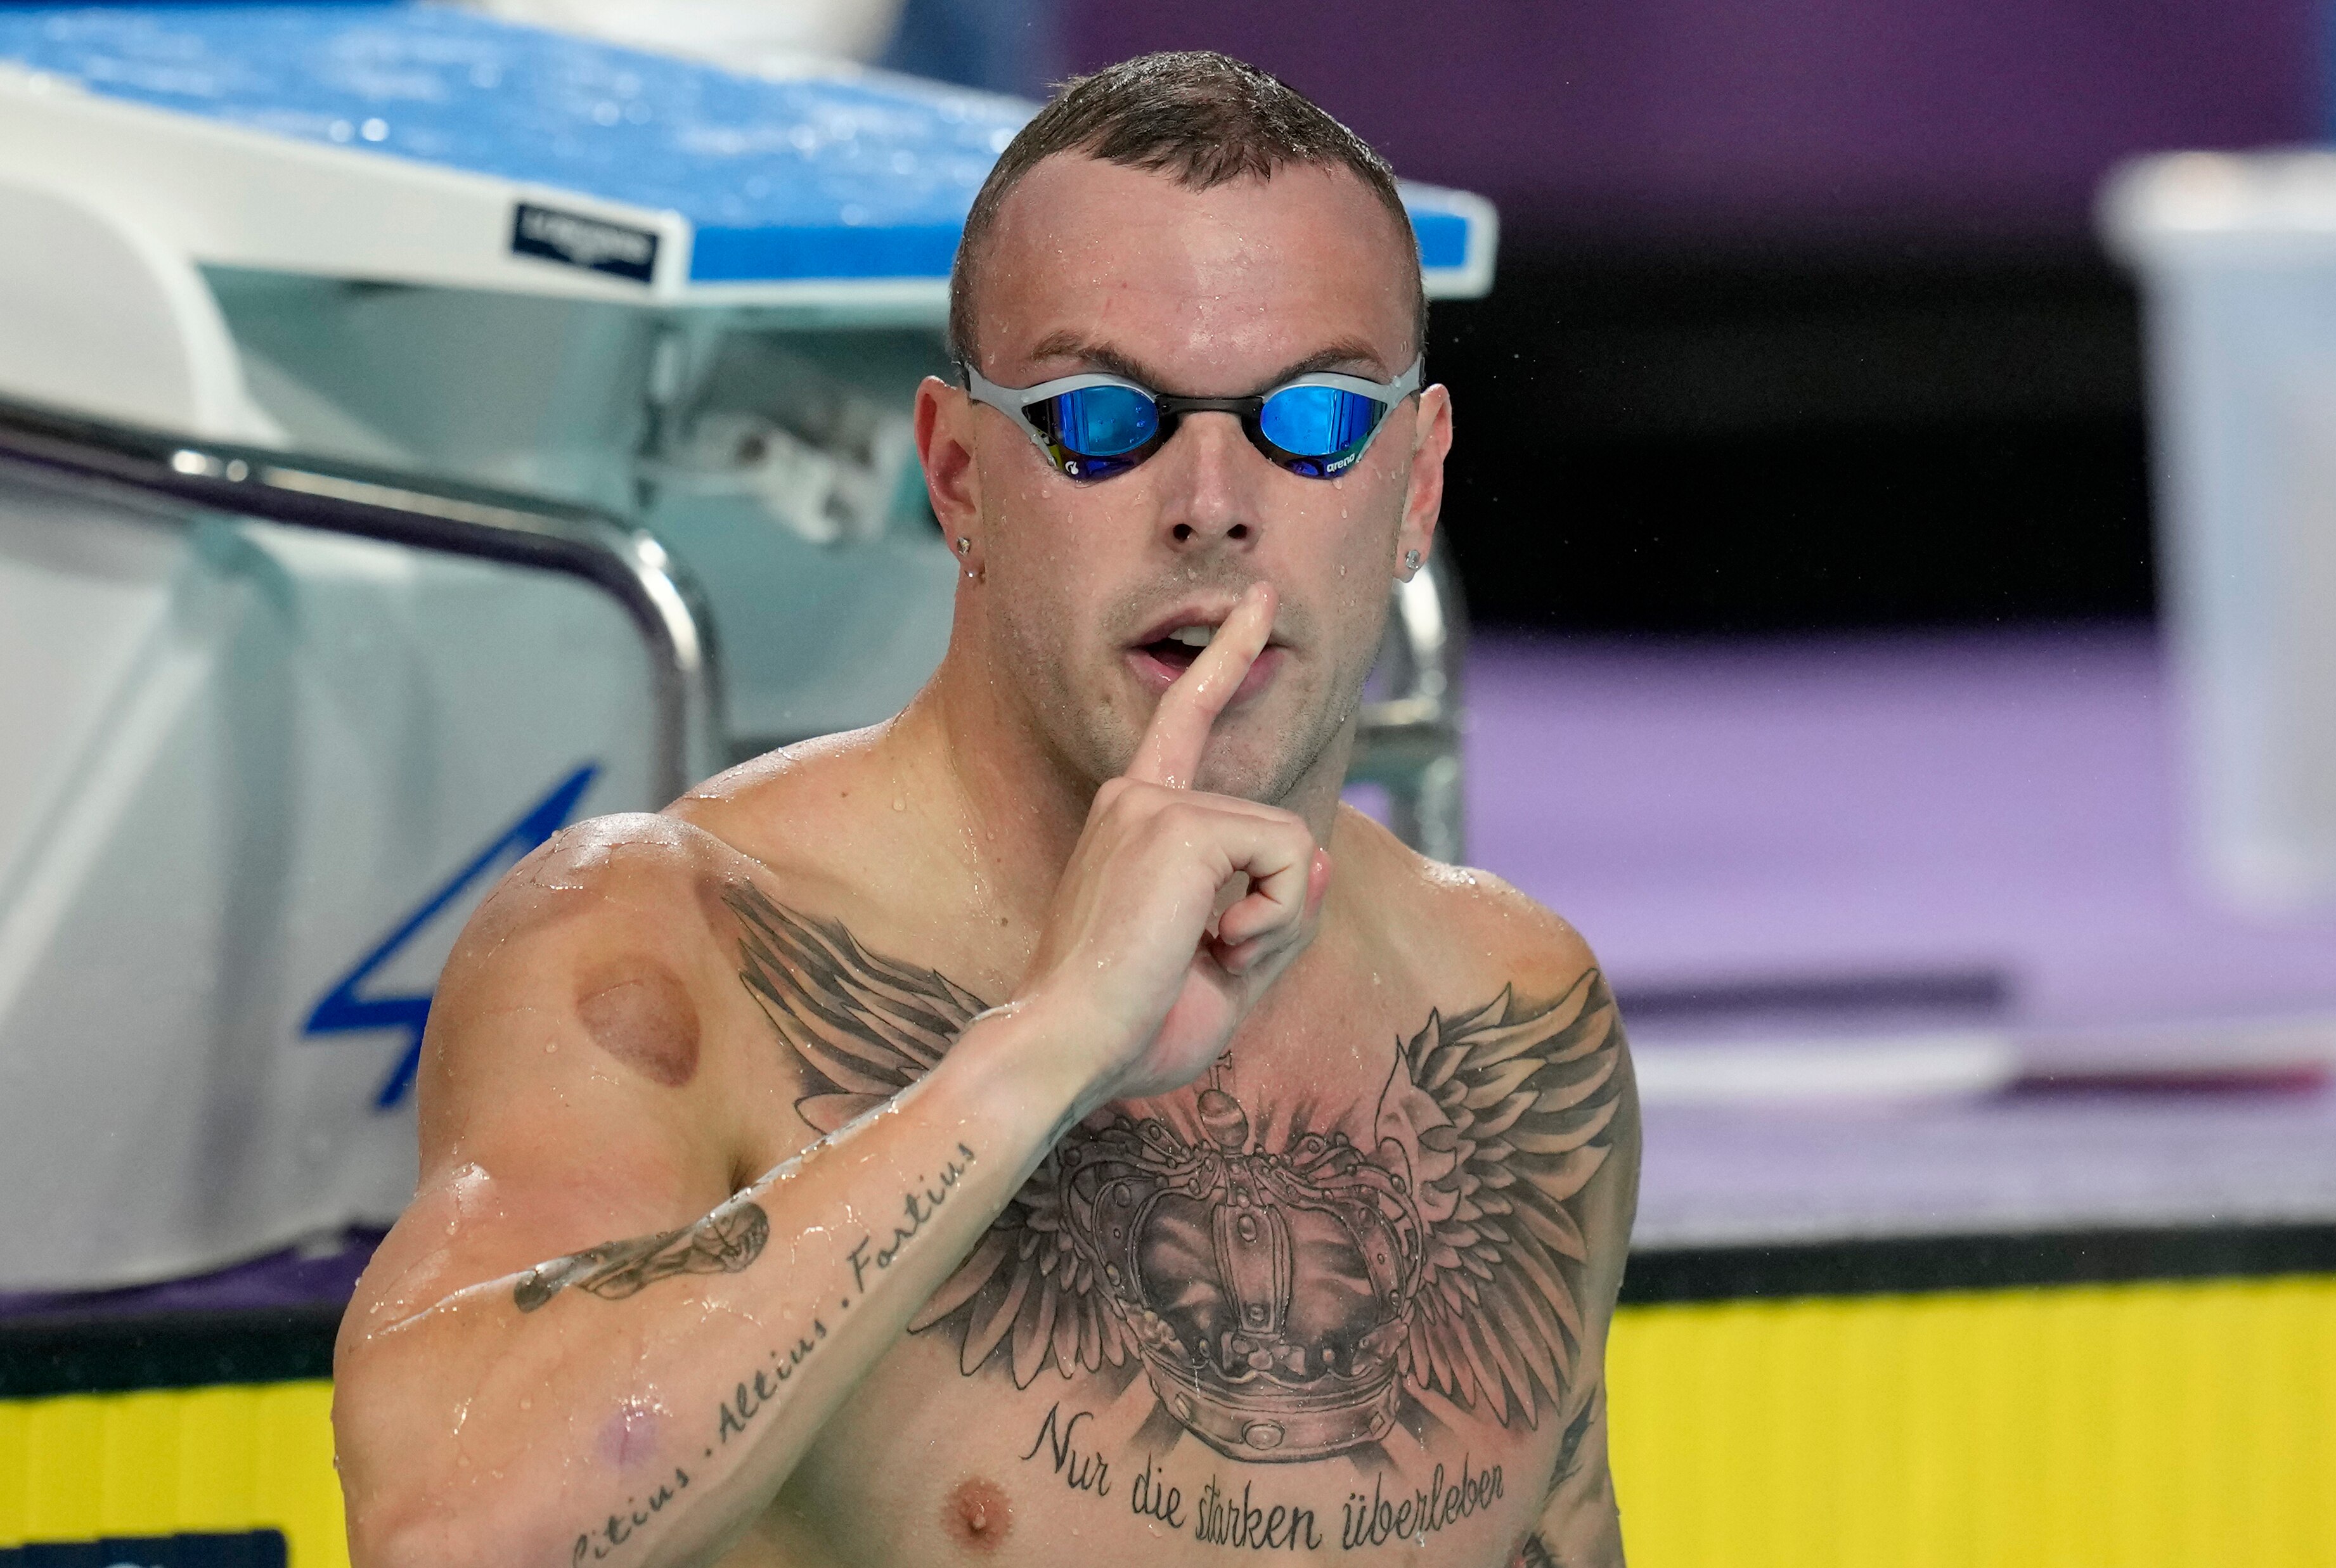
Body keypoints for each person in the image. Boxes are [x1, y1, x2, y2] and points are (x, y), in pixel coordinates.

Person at [333, 51, 1641, 1568]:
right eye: (1100, 416)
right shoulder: (667, 942)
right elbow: (445, 1534)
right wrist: (1040, 1049)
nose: (1210, 499)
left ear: (1416, 487)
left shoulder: (1509, 1011)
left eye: (1316, 418)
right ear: (957, 474)